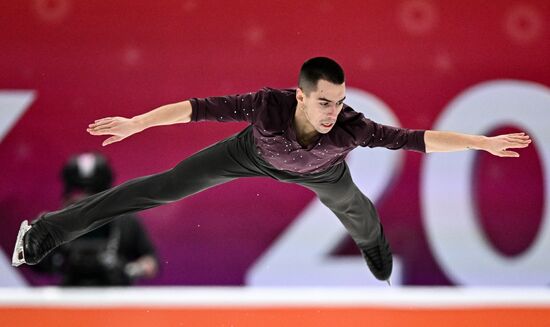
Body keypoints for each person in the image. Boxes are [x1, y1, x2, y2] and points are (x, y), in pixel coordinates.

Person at [12, 57, 531, 285]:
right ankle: (44, 233)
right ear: (300, 95)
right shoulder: (266, 106)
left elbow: (417, 140)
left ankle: (376, 251)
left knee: (358, 215)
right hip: (247, 155)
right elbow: (197, 108)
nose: (333, 112)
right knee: (160, 188)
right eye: (324, 102)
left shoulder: (350, 129)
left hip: (323, 173)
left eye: (340, 102)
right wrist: (137, 123)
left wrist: (480, 142)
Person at [31, 152, 158, 286]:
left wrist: (130, 269)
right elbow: (33, 261)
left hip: (116, 299)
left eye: (94, 191)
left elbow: (151, 262)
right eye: (78, 191)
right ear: (67, 193)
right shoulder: (54, 225)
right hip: (69, 299)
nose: (86, 198)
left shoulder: (126, 221)